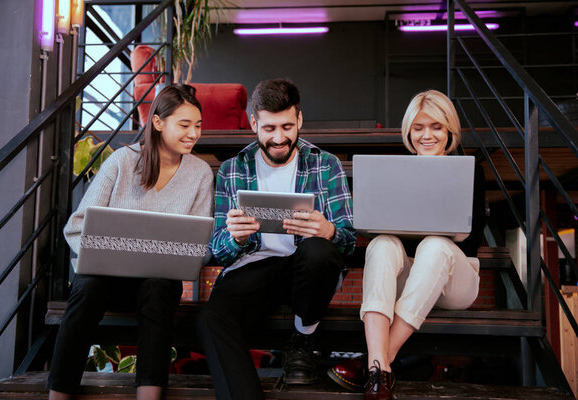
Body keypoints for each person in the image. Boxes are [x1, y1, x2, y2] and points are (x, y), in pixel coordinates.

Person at [47, 84, 214, 400]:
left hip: (157, 283)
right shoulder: (122, 161)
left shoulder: (201, 173)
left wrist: (183, 257)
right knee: (86, 286)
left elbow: (200, 245)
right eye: (185, 125)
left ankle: (148, 396)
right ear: (158, 122)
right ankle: (58, 395)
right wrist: (101, 256)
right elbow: (77, 228)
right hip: (109, 281)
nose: (194, 133)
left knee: (159, 287)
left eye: (198, 125)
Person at [197, 78, 357, 400]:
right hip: (254, 269)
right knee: (210, 319)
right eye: (269, 128)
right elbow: (218, 250)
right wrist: (236, 239)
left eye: (287, 125)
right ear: (253, 122)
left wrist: (329, 231)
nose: (279, 138)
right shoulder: (232, 169)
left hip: (306, 271)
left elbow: (348, 242)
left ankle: (302, 337)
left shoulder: (326, 164)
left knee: (318, 251)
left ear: (299, 119)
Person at [328, 89, 486, 400]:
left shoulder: (469, 171)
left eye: (436, 127)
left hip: (456, 280)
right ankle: (379, 370)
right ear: (409, 131)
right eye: (419, 127)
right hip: (409, 280)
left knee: (434, 245)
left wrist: (439, 229)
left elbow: (473, 241)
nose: (427, 135)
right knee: (383, 243)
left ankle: (376, 362)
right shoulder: (395, 173)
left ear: (449, 130)